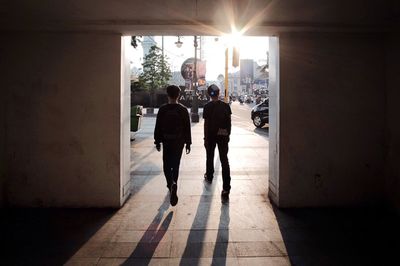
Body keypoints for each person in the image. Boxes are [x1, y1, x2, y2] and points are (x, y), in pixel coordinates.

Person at [154, 85, 191, 206]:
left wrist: (157, 141)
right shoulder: (183, 110)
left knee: (166, 164)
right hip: (179, 141)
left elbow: (158, 126)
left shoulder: (163, 109)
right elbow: (187, 128)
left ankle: (170, 184)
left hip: (166, 140)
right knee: (176, 165)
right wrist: (188, 143)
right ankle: (174, 182)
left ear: (167, 95)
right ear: (178, 95)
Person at [203, 84, 232, 203]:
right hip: (223, 135)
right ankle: (226, 188)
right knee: (224, 160)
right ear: (219, 93)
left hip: (211, 136)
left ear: (209, 94)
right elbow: (229, 122)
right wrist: (227, 135)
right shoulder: (226, 106)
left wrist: (205, 138)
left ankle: (209, 176)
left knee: (210, 156)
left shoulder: (207, 106)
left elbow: (206, 124)